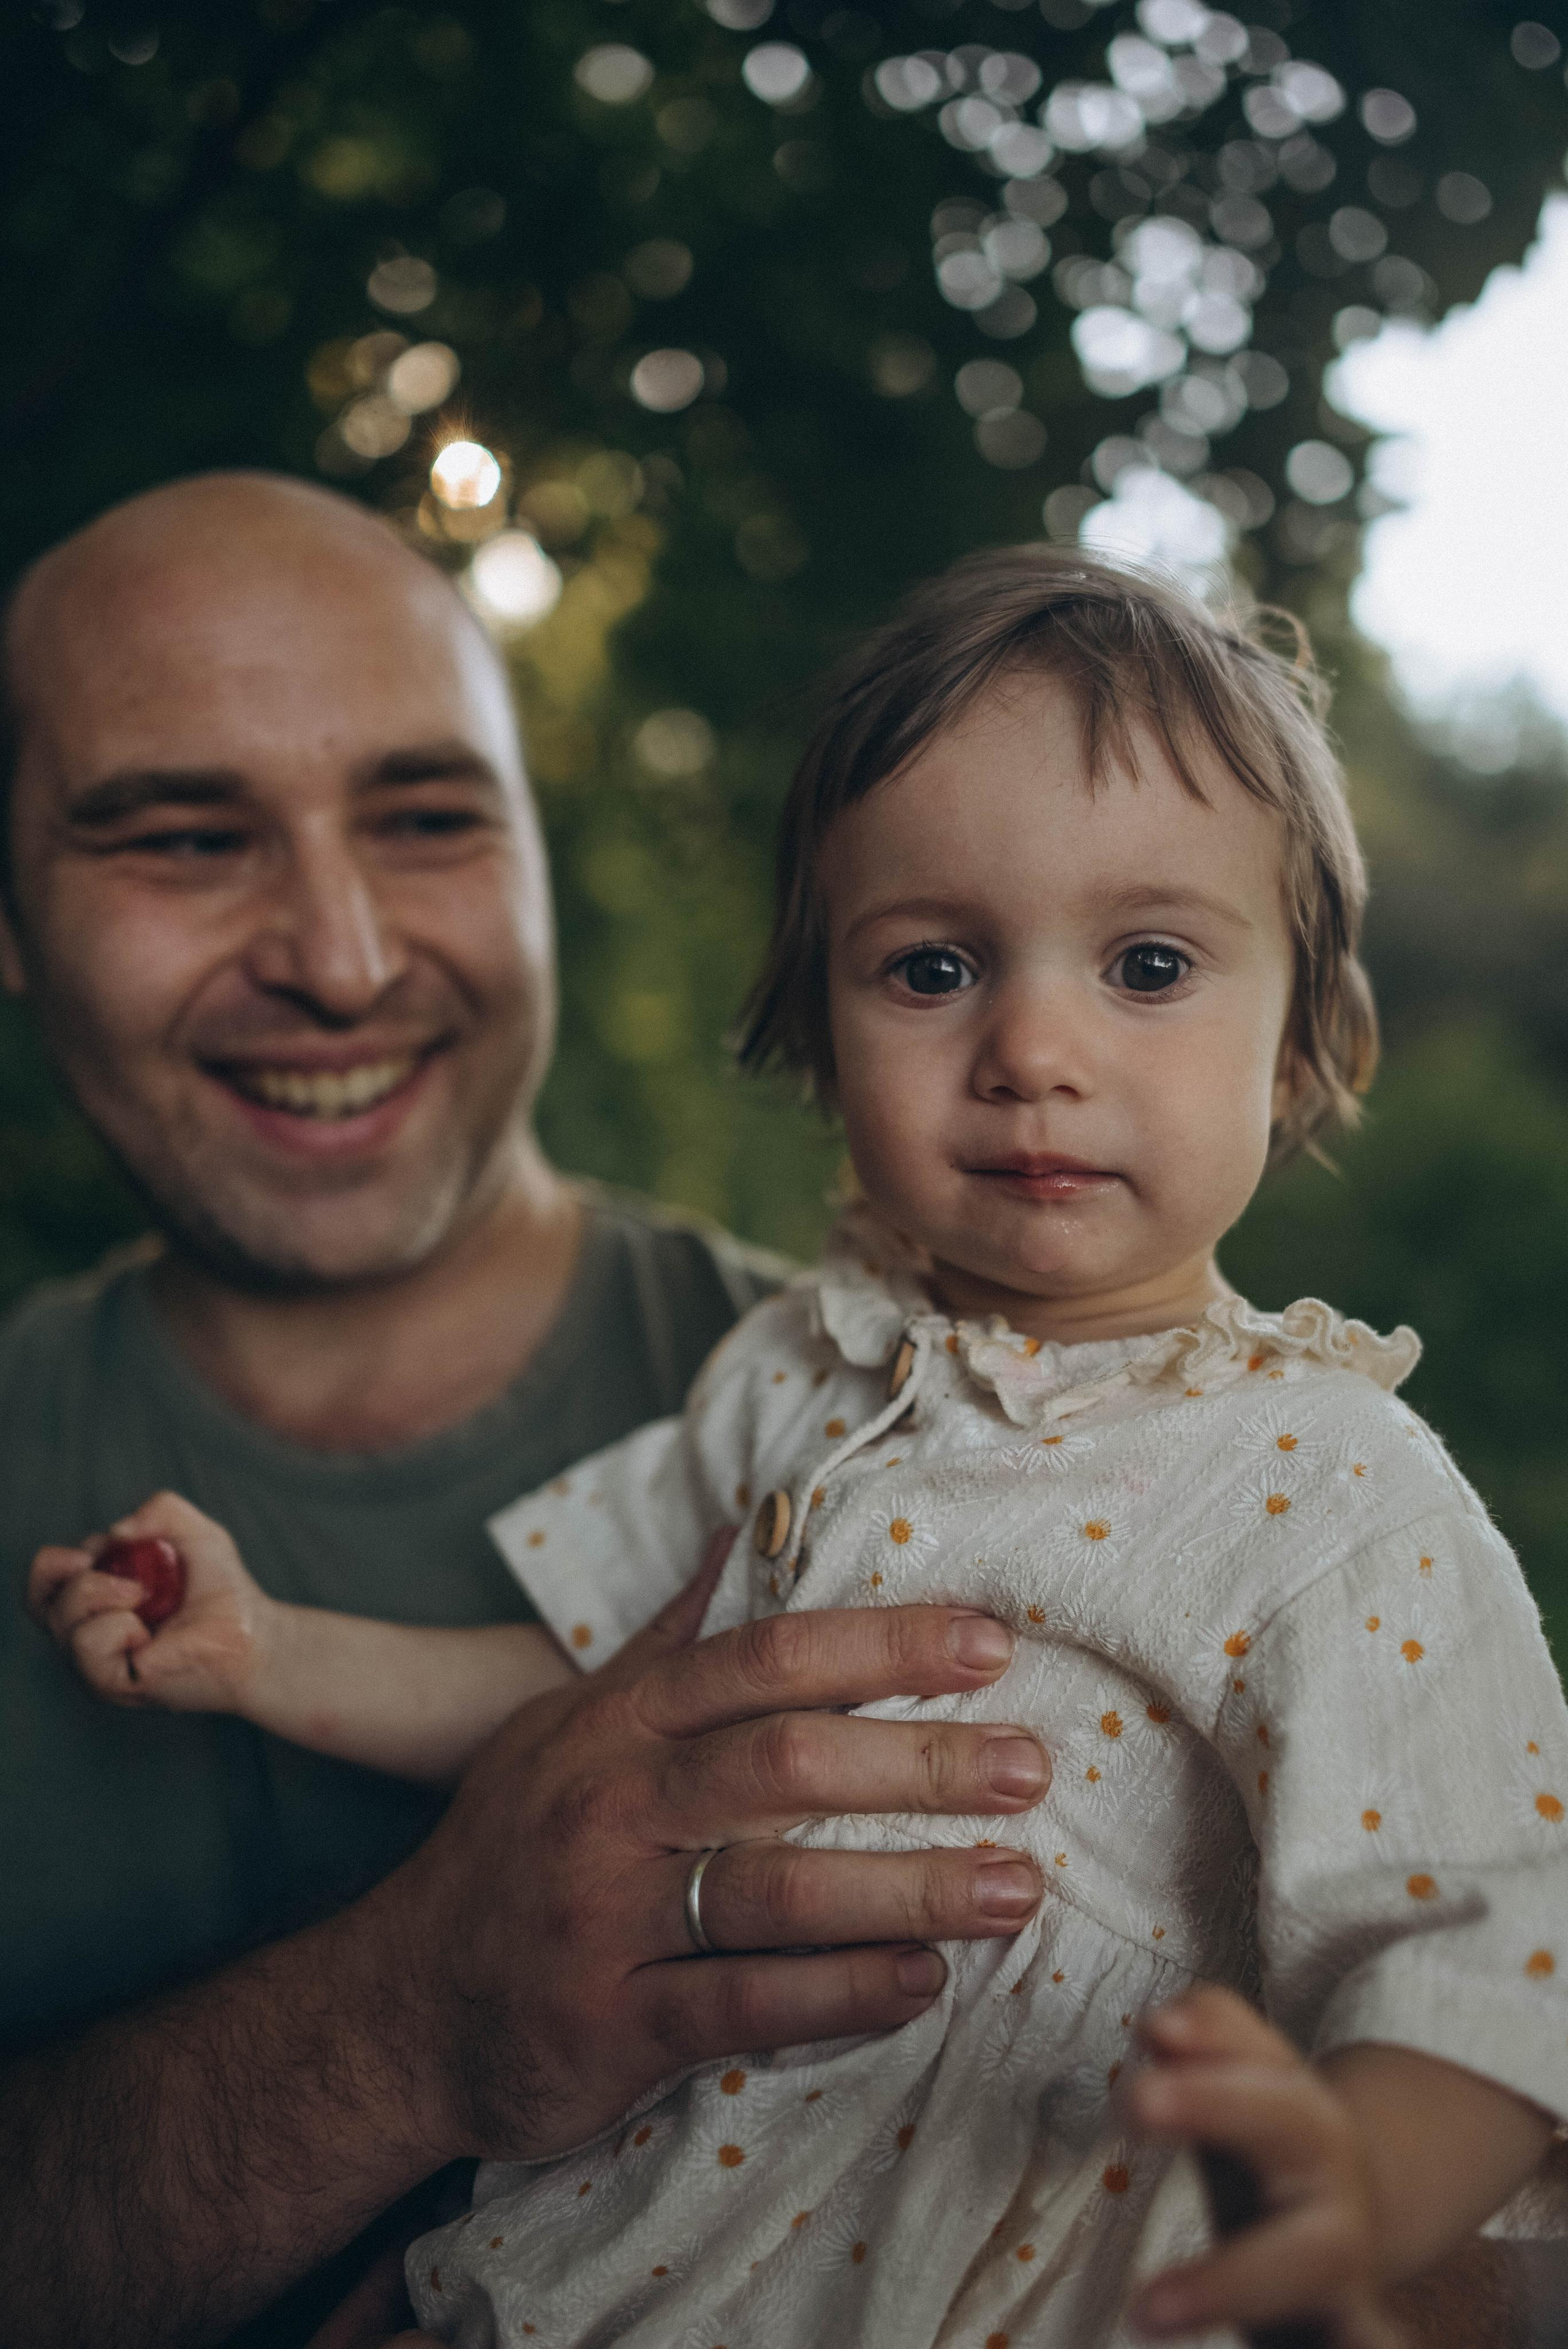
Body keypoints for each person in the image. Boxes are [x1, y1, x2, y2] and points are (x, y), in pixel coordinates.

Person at [36, 545, 1568, 2348]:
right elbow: (581, 1685)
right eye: (932, 966)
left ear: (1306, 1040)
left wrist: (1347, 2193)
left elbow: (1488, 1948)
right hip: (658, 2249)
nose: (1032, 1045)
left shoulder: (1332, 1491)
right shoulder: (796, 1370)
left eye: (1148, 961)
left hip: (1028, 2262)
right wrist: (274, 1650)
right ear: (822, 1040)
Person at [0, 474, 1058, 2349]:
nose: (339, 958)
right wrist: (413, 2011)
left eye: (425, 818)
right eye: (180, 838)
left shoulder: (940, 1431)